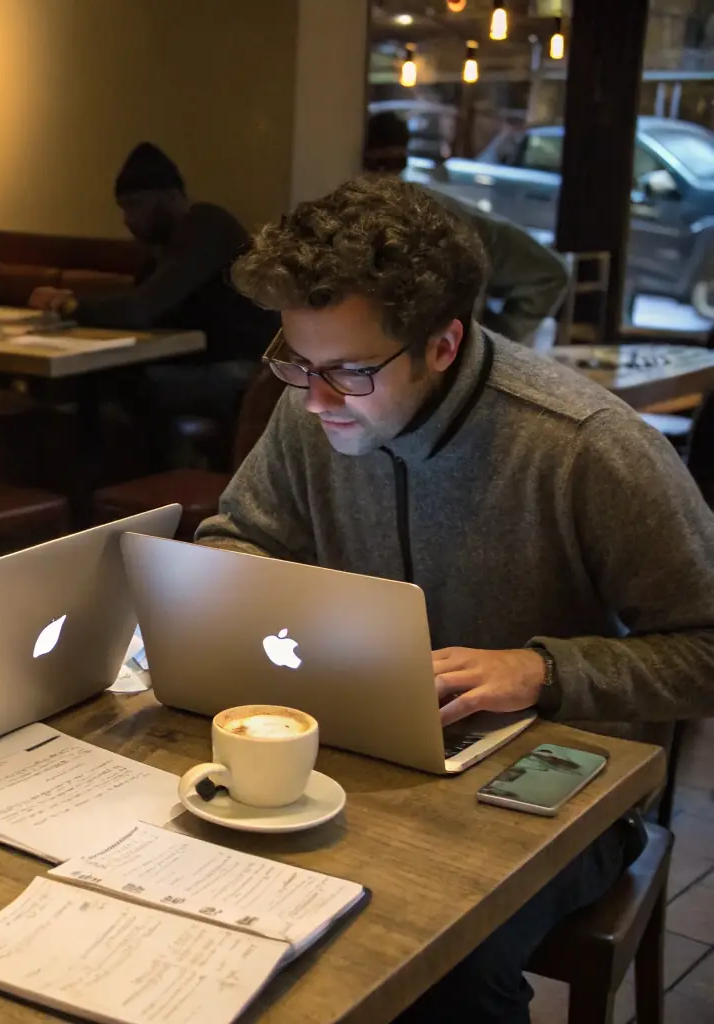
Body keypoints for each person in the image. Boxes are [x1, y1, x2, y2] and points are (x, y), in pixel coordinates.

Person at [196, 175, 714, 1023]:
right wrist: (246, 597)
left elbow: (704, 647)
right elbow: (236, 538)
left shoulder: (584, 446)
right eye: (295, 360)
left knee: (439, 960)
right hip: (364, 751)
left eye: (349, 372)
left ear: (442, 344)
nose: (316, 398)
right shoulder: (312, 407)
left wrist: (541, 672)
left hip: (564, 781)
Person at [29, 142, 278, 468]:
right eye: (123, 208)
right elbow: (141, 309)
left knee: (120, 384)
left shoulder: (206, 225)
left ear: (169, 197)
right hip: (204, 362)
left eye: (135, 206)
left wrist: (68, 305)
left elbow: (139, 310)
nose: (127, 220)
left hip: (248, 371)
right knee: (103, 380)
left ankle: (166, 484)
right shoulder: (167, 247)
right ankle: (122, 488)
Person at [364, 110, 570, 344]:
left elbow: (550, 274)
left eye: (388, 162)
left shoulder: (439, 216)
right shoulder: (369, 218)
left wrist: (494, 340)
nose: (382, 174)